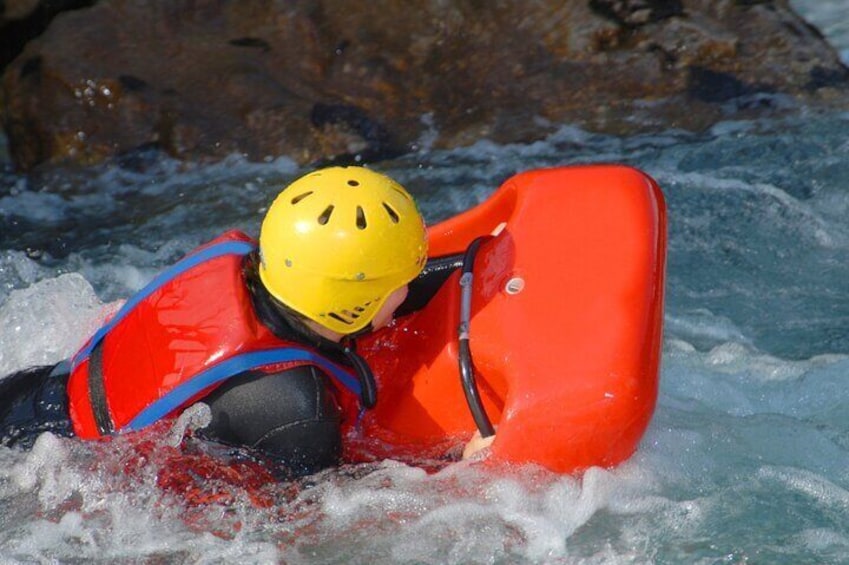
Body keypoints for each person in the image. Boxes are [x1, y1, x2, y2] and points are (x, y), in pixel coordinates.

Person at [0, 166, 452, 477]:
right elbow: (334, 512)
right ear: (354, 303)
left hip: (29, 396)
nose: (409, 291)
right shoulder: (297, 410)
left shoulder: (247, 268)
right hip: (47, 470)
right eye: (402, 282)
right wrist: (453, 464)